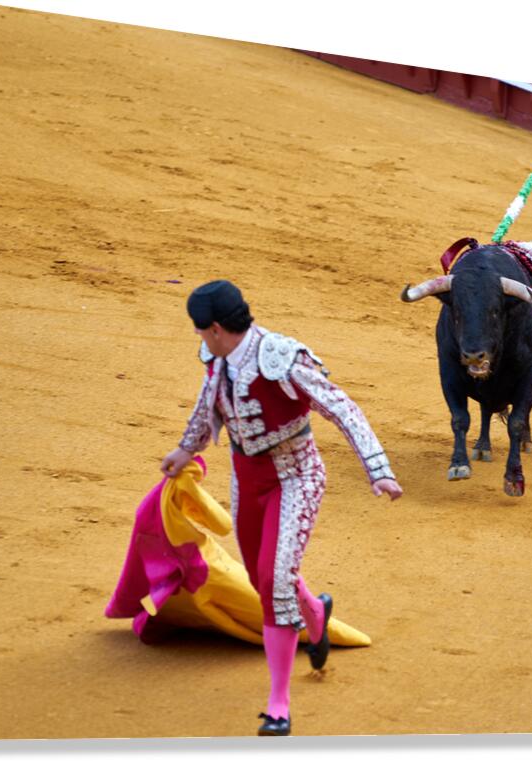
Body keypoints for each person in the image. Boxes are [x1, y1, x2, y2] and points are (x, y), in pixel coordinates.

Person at [161, 280, 403, 737]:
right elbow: (207, 405)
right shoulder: (217, 359)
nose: (199, 339)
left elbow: (342, 409)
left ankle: (278, 704)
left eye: (200, 331)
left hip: (297, 477)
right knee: (261, 576)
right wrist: (184, 448)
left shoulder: (282, 359)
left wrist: (378, 469)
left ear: (215, 329)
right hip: (246, 477)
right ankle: (316, 615)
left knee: (274, 582)